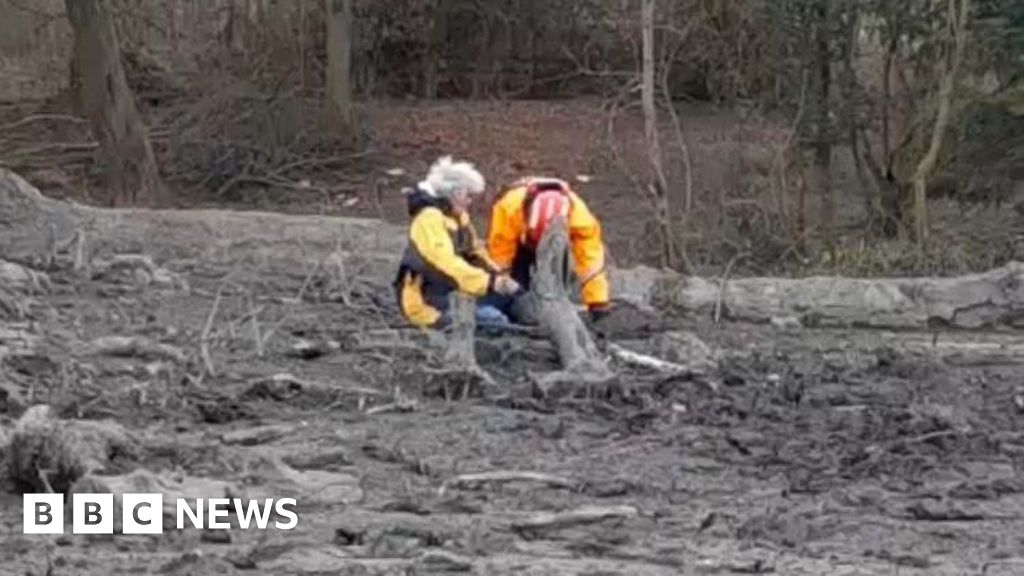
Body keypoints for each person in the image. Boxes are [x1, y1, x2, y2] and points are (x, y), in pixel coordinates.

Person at [394, 156, 521, 329]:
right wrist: (489, 283)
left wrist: (499, 277)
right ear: (455, 193)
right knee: (495, 321)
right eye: (468, 195)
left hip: (453, 291)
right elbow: (446, 264)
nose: (470, 201)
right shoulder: (428, 219)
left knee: (510, 301)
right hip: (425, 302)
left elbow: (475, 253)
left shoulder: (459, 217)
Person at [485, 176, 611, 323]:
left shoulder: (580, 220)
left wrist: (598, 302)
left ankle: (555, 303)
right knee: (515, 285)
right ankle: (512, 311)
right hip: (520, 244)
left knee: (556, 283)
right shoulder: (509, 209)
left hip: (557, 246)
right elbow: (500, 255)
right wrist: (504, 283)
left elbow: (591, 263)